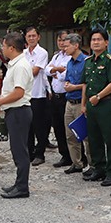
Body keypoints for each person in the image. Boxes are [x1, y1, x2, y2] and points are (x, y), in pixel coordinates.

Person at [0, 32, 34, 198]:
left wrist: (0, 102)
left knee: (20, 151)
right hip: (14, 110)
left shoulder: (21, 66)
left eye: (4, 46)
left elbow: (18, 93)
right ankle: (18, 183)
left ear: (11, 47)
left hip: (19, 111)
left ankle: (22, 187)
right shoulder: (14, 65)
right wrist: (0, 100)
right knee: (16, 150)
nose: (2, 49)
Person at [82, 28, 111, 185]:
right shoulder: (88, 62)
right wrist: (84, 104)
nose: (95, 42)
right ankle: (99, 168)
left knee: (110, 139)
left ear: (106, 42)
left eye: (99, 39)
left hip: (105, 104)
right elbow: (85, 84)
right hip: (91, 106)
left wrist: (99, 96)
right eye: (93, 40)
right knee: (94, 138)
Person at [62, 33, 90, 175]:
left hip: (80, 101)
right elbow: (68, 79)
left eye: (67, 46)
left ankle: (92, 165)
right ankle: (76, 163)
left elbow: (87, 84)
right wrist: (67, 85)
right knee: (70, 135)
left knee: (85, 135)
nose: (64, 48)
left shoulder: (86, 61)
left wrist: (74, 87)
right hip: (69, 101)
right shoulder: (69, 63)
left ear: (76, 45)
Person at [24, 27, 51, 166]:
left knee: (39, 126)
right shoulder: (23, 53)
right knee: (27, 127)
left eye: (34, 36)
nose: (31, 38)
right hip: (25, 95)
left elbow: (34, 72)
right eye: (29, 36)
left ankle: (40, 153)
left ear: (38, 37)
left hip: (38, 94)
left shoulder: (42, 53)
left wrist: (22, 72)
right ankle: (29, 153)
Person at [45, 31, 72, 168]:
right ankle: (64, 155)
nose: (62, 43)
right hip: (55, 96)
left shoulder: (72, 57)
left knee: (69, 128)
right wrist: (56, 69)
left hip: (66, 97)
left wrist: (57, 71)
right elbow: (46, 70)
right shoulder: (56, 56)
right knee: (58, 127)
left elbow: (66, 75)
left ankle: (75, 156)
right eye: (60, 40)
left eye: (65, 40)